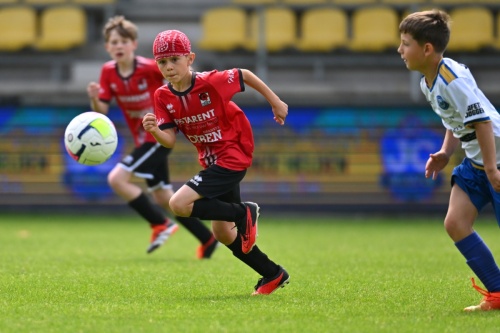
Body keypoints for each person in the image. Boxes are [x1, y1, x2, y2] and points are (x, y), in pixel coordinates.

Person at [142, 29, 290, 295]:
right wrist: (154, 131)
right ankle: (272, 273)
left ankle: (243, 212)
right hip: (213, 162)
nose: (169, 67)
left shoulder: (211, 82)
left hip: (233, 153)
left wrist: (276, 101)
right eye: (162, 62)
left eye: (175, 59)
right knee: (223, 233)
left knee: (178, 203)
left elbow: (245, 75)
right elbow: (169, 140)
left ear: (190, 58)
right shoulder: (162, 96)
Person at [86, 16, 218, 259]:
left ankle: (160, 224)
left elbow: (180, 78)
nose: (118, 46)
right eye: (113, 42)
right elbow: (101, 111)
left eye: (123, 41)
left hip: (158, 137)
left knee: (117, 179)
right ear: (107, 47)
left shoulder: (151, 67)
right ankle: (207, 238)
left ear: (134, 44)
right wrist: (94, 97)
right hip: (142, 140)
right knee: (163, 197)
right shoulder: (108, 72)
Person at [398, 9, 500, 311]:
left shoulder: (451, 79)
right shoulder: (428, 82)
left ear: (426, 49)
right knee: (456, 223)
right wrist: (445, 152)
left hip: (494, 160)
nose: (400, 50)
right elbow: (456, 119)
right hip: (477, 160)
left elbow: (482, 123)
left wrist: (492, 168)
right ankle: (497, 293)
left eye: (405, 43)